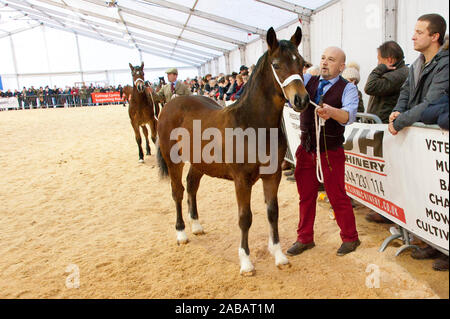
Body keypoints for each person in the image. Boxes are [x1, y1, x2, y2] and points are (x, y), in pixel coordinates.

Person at [286, 46, 360, 257]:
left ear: (341, 66)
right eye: (323, 58)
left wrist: (331, 112)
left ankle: (350, 237)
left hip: (330, 151)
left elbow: (348, 116)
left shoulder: (348, 88)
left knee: (337, 196)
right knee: (305, 196)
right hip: (306, 148)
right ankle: (304, 238)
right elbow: (291, 101)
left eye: (331, 59)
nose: (325, 63)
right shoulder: (307, 81)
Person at [389, 14, 448, 136]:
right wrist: (397, 111)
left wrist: (399, 121)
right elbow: (405, 91)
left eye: (419, 33)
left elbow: (432, 102)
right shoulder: (416, 65)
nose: (413, 37)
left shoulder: (445, 64)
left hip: (432, 138)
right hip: (416, 135)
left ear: (435, 37)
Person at [365, 41, 409, 124]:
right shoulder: (394, 72)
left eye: (379, 60)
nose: (378, 63)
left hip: (384, 126)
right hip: (380, 124)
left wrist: (380, 68)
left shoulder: (398, 75)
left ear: (390, 60)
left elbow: (369, 87)